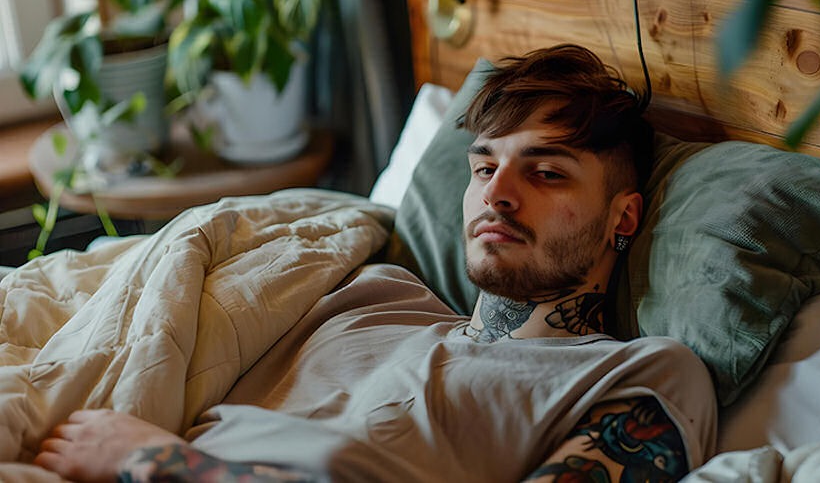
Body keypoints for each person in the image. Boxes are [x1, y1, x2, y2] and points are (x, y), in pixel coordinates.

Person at [32, 44, 717, 482]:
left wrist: (151, 462)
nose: (497, 196)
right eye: (484, 167)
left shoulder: (639, 376)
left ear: (622, 218)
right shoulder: (370, 289)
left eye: (546, 174)